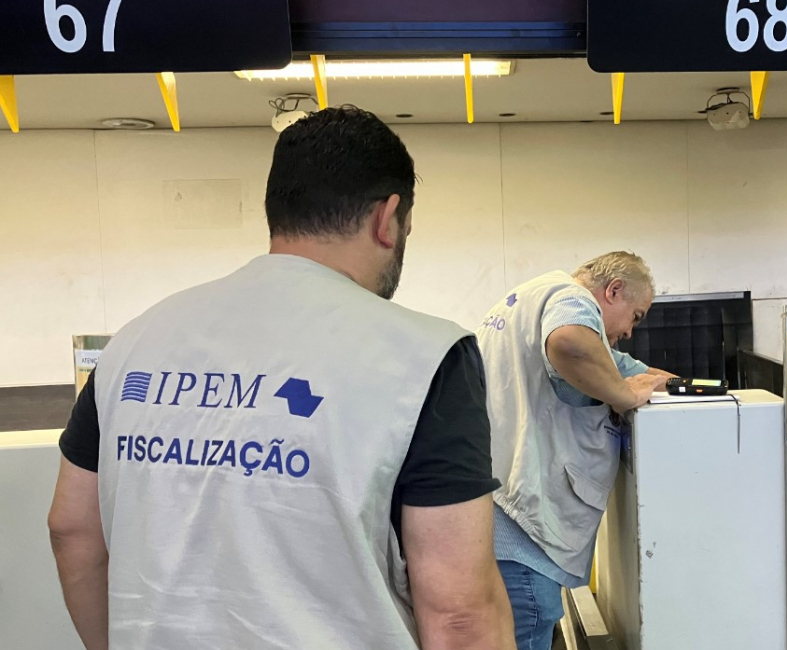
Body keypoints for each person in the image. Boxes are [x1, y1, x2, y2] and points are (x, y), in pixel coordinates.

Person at [47, 107, 515, 650]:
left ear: (279, 211)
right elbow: (459, 613)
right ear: (388, 219)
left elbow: (71, 529)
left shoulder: (133, 343)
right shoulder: (425, 358)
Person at [475, 252, 674, 650]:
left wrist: (682, 385)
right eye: (635, 316)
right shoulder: (573, 298)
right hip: (523, 527)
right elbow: (570, 342)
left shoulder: (531, 297)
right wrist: (623, 397)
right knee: (528, 628)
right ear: (613, 290)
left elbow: (619, 364)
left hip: (496, 510)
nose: (632, 331)